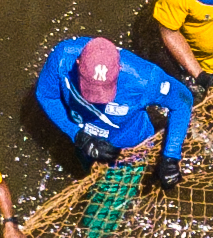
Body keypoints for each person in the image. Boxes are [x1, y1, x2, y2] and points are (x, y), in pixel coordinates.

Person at [31, 34, 198, 186]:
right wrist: (78, 135)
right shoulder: (62, 58)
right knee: (83, 172)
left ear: (119, 69)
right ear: (78, 63)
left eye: (103, 91)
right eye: (88, 88)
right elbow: (47, 96)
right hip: (84, 139)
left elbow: (182, 102)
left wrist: (171, 156)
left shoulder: (145, 79)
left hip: (128, 153)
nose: (94, 99)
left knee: (100, 217)